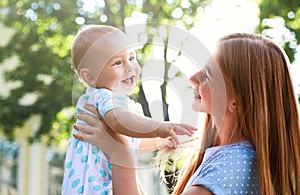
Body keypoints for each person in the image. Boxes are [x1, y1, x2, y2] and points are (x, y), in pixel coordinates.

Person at [74, 32, 300, 195]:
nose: (193, 77)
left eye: (208, 74)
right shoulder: (223, 157)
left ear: (235, 102)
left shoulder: (231, 168)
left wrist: (119, 153)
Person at [61, 25, 196, 195]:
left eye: (132, 58)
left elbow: (132, 141)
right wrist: (159, 127)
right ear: (90, 77)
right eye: (118, 62)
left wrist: (157, 141)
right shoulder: (103, 96)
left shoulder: (119, 104)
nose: (130, 67)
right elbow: (118, 122)